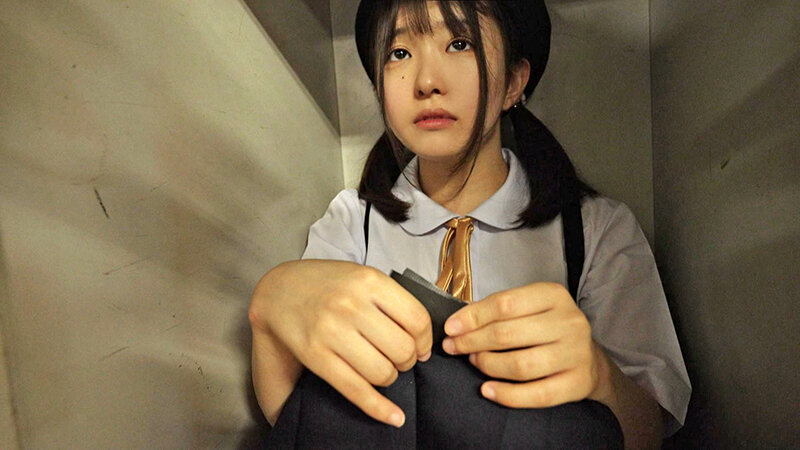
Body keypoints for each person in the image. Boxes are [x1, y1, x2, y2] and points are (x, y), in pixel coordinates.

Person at [248, 0, 690, 447]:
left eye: (460, 43)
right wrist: (272, 306)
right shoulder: (350, 223)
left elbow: (649, 431)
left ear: (514, 81)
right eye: (399, 53)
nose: (427, 82)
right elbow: (303, 421)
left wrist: (600, 375)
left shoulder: (595, 230)